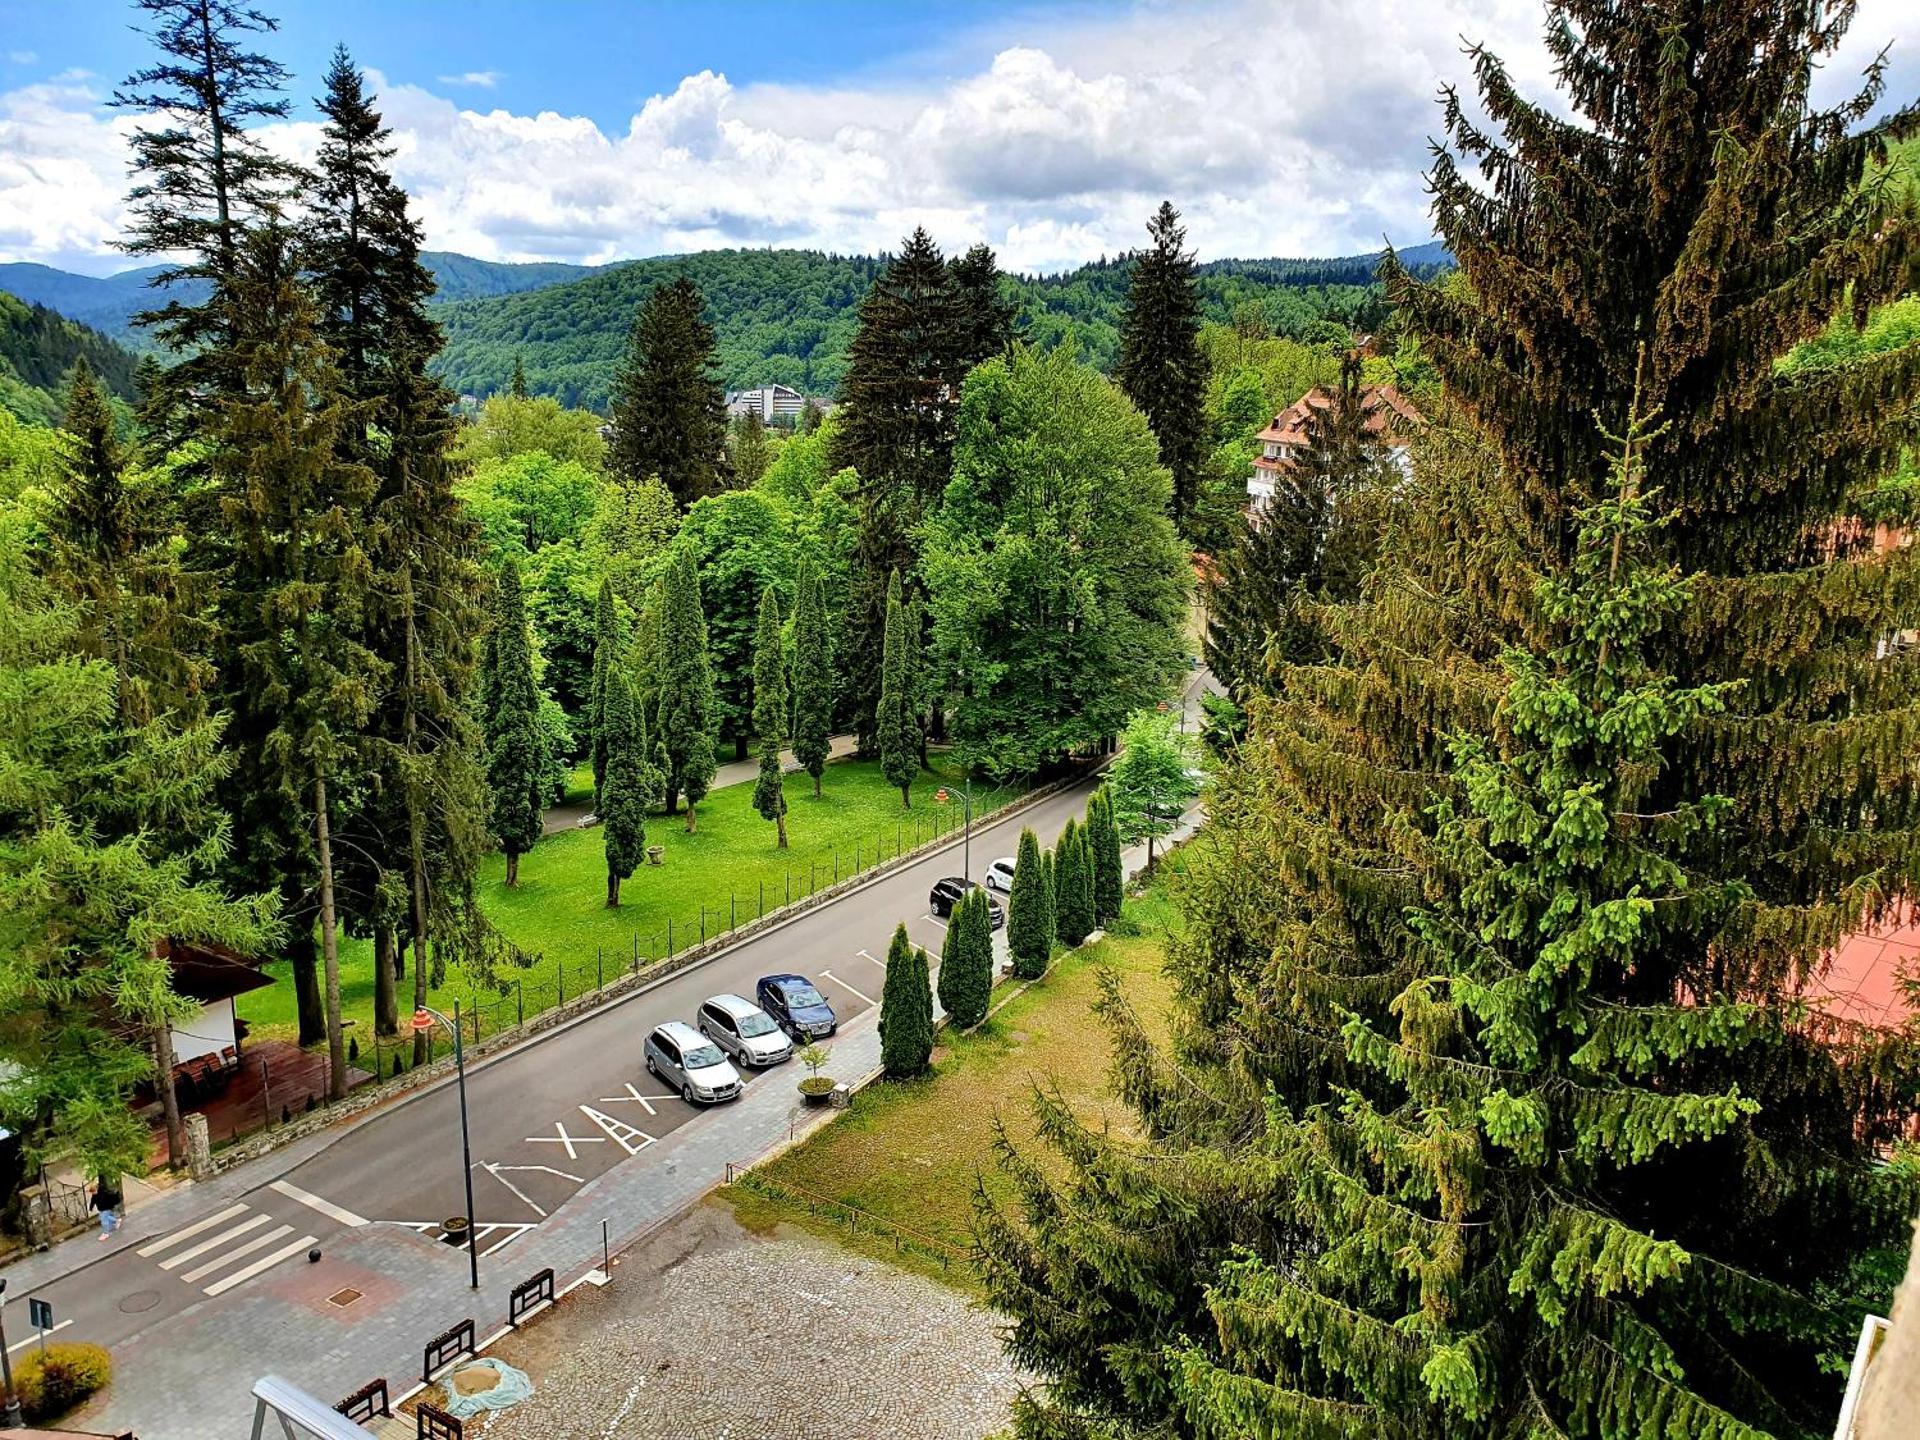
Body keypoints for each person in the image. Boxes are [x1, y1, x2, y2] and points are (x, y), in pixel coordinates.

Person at [91, 1174, 122, 1241]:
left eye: (94, 1192)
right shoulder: (94, 1195)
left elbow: (109, 1199)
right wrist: (91, 1207)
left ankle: (106, 1233)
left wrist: (110, 1206)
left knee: (104, 1221)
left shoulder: (103, 1193)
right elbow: (93, 1200)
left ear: (96, 1189)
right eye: (92, 1192)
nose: (93, 1193)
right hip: (102, 1209)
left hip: (106, 1208)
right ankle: (116, 1220)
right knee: (105, 1217)